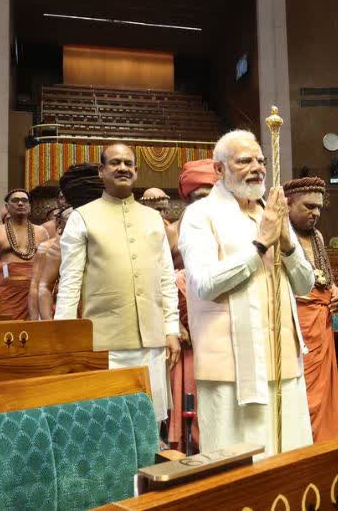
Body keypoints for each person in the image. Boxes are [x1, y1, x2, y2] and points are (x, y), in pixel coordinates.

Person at [178, 129, 315, 457]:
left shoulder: (270, 212)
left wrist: (285, 243)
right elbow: (204, 283)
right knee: (240, 468)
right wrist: (260, 244)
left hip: (283, 364)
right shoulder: (200, 215)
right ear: (219, 170)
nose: (257, 167)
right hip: (231, 370)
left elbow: (305, 284)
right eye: (244, 161)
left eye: (261, 160)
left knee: (290, 460)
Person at [56, 144, 180, 423]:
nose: (122, 167)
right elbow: (70, 282)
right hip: (104, 342)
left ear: (136, 171)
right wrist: (65, 336)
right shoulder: (82, 217)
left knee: (150, 421)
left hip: (151, 341)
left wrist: (171, 328)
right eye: (114, 163)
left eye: (128, 163)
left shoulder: (153, 219)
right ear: (102, 171)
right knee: (107, 423)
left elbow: (166, 279)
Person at [284, 177, 338, 442]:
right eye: (309, 206)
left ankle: (326, 443)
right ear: (287, 204)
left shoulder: (318, 237)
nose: (315, 213)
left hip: (322, 326)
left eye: (319, 208)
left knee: (325, 395)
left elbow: (326, 279)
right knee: (302, 395)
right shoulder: (281, 236)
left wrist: (337, 291)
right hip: (295, 327)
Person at [168, 158, 218, 451]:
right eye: (199, 197)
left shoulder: (225, 226)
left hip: (215, 324)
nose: (205, 203)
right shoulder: (173, 231)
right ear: (186, 198)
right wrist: (175, 322)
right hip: (185, 329)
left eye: (211, 195)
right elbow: (158, 280)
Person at [0, 189, 49, 319]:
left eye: (24, 201)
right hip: (7, 295)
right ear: (7, 207)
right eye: (15, 200)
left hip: (34, 294)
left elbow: (48, 269)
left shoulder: (42, 232)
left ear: (29, 207)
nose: (20, 203)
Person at [29, 206, 70, 320]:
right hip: (59, 310)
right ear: (59, 225)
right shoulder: (47, 248)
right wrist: (38, 320)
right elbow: (38, 286)